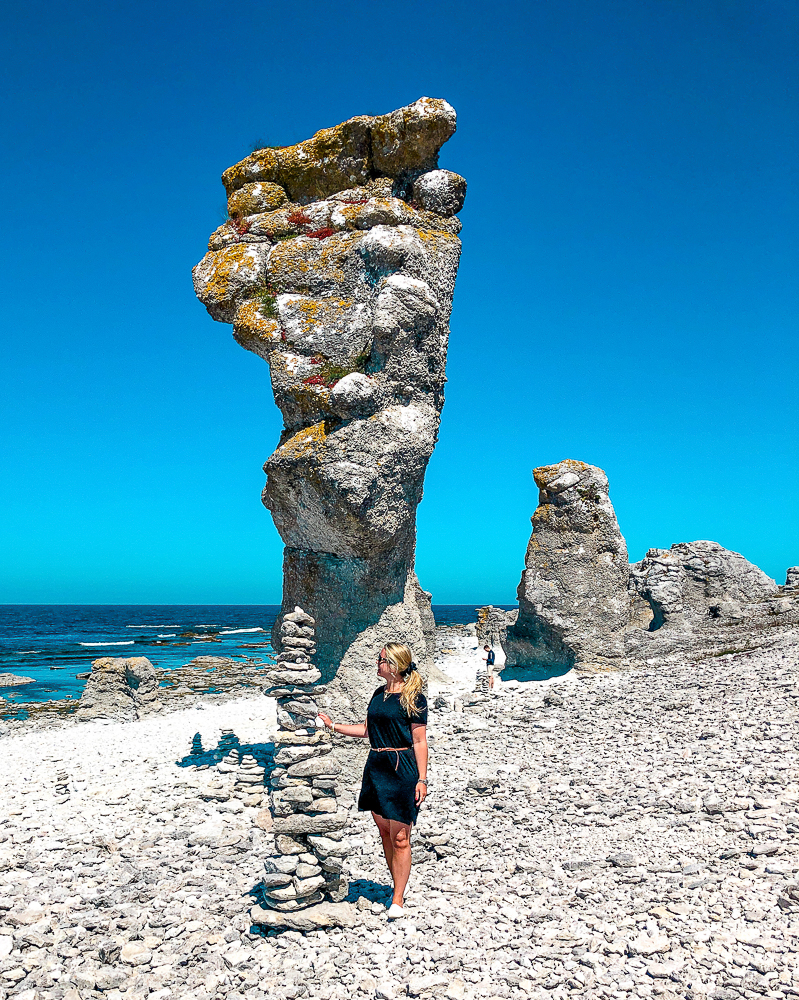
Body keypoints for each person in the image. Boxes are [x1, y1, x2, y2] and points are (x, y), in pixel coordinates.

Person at [317, 643, 428, 919]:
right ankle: (395, 885)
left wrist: (422, 779)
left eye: (380, 660)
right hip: (376, 767)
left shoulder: (414, 697)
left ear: (393, 664)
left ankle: (398, 898)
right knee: (384, 833)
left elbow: (419, 740)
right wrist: (333, 726)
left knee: (401, 837)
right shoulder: (378, 694)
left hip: (402, 769)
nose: (376, 664)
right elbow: (367, 730)